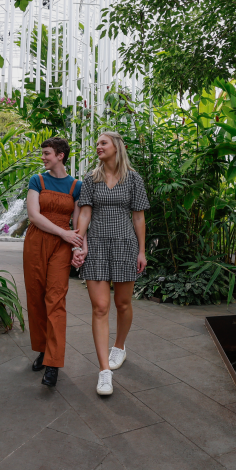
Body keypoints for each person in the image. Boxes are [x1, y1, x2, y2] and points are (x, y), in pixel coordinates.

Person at [72, 132, 150, 396]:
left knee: (123, 303)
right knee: (100, 307)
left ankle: (119, 346)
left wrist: (142, 251)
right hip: (96, 246)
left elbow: (138, 217)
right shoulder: (91, 179)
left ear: (117, 147)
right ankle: (104, 371)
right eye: (97, 143)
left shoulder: (134, 179)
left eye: (103, 142)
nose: (98, 146)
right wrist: (78, 244)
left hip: (125, 245)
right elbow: (84, 213)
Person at [23, 137, 83, 387]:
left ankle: (54, 362)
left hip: (61, 247)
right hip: (36, 242)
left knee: (56, 299)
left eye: (47, 153)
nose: (43, 157)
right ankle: (43, 349)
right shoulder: (37, 180)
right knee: (36, 297)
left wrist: (78, 247)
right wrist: (63, 233)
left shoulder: (76, 186)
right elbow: (33, 215)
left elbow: (78, 222)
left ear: (60, 155)